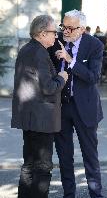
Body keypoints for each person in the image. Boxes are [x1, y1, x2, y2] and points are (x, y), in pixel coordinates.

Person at [11, 15, 68, 198]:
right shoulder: (40, 53)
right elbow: (49, 87)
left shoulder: (26, 49)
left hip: (29, 117)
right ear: (43, 33)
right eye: (54, 32)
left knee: (29, 166)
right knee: (42, 168)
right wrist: (62, 77)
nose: (56, 36)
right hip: (41, 120)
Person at [48, 9, 104, 198]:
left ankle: (96, 195)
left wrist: (70, 60)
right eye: (64, 26)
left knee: (90, 155)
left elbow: (93, 77)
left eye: (71, 28)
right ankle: (68, 194)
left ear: (82, 29)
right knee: (64, 156)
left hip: (85, 108)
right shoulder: (56, 41)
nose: (66, 31)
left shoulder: (94, 45)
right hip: (62, 107)